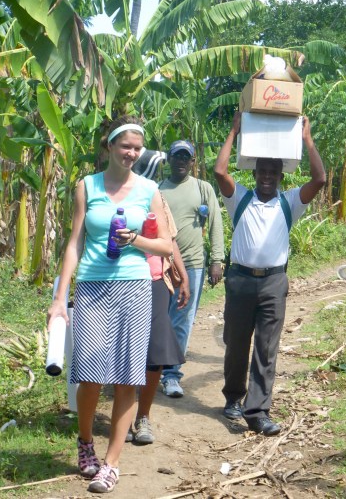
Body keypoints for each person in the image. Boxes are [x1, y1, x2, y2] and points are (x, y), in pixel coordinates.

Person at [48, 117, 173, 494]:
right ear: (110, 146)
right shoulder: (87, 186)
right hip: (92, 286)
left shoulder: (150, 189)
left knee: (126, 379)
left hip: (134, 288)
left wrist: (136, 239)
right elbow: (74, 243)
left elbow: (166, 245)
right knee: (89, 373)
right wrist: (59, 297)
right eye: (126, 146)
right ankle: (85, 442)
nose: (132, 153)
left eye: (138, 148)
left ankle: (112, 463)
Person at [213, 112, 325, 436]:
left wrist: (307, 140)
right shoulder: (241, 198)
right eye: (261, 171)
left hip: (274, 283)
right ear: (255, 172)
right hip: (240, 281)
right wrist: (234, 131)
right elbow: (219, 170)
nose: (265, 177)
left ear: (279, 176)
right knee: (236, 344)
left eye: (271, 172)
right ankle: (233, 397)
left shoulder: (290, 203)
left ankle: (257, 411)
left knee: (266, 348)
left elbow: (319, 180)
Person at [126, 150, 190, 445]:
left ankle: (143, 417)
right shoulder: (117, 197)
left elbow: (170, 240)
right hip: (122, 281)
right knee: (124, 352)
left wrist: (182, 275)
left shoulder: (157, 197)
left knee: (154, 354)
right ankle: (124, 417)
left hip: (155, 281)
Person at [157, 139, 225, 398]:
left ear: (193, 162)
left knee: (182, 321)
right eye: (177, 157)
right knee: (158, 319)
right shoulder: (157, 189)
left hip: (194, 265)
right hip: (162, 265)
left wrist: (217, 260)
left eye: (186, 157)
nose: (181, 161)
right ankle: (153, 370)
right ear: (168, 160)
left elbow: (216, 222)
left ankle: (172, 375)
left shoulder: (202, 188)